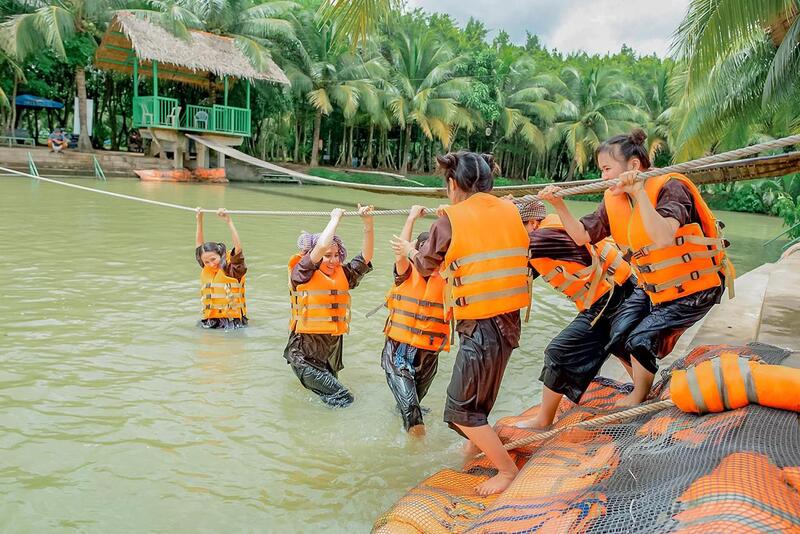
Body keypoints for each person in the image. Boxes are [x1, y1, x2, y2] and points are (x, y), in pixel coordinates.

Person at [538, 129, 734, 407]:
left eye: (607, 169)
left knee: (639, 338)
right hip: (655, 287)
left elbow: (664, 237)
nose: (603, 177)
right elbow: (582, 235)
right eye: (601, 170)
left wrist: (639, 192)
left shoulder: (669, 186)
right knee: (616, 332)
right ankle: (645, 385)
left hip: (696, 286)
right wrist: (559, 205)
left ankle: (639, 396)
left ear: (633, 166)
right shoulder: (613, 200)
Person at [391, 151, 531, 496]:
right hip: (508, 323)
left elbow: (424, 265)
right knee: (478, 401)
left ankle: (506, 470)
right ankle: (473, 450)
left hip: (482, 326)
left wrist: (410, 249)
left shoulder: (448, 221)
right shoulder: (509, 209)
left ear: (453, 184)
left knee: (459, 410)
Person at [508, 197, 643, 429]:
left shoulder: (541, 237)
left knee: (558, 353)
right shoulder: (548, 236)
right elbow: (520, 274)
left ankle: (543, 420)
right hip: (620, 290)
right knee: (620, 346)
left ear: (531, 222)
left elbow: (510, 253)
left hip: (611, 297)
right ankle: (644, 398)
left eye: (516, 226)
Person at [284, 205, 374, 408]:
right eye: (327, 256)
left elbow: (366, 257)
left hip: (330, 354)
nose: (333, 260)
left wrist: (367, 224)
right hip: (303, 356)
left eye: (337, 255)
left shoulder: (343, 275)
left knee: (331, 402)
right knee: (344, 398)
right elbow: (322, 246)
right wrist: (334, 219)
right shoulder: (302, 272)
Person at [381, 205, 450, 436]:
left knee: (412, 407)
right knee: (413, 414)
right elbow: (401, 252)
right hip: (400, 351)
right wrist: (410, 218)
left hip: (429, 355)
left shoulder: (448, 277)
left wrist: (451, 218)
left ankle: (400, 432)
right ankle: (416, 457)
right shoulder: (407, 273)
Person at [195, 207, 248, 329]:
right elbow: (199, 247)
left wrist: (229, 221)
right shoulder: (207, 268)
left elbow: (238, 249)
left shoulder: (231, 269)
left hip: (232, 322)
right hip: (210, 321)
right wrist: (199, 220)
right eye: (206, 262)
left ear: (220, 255)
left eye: (213, 259)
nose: (211, 264)